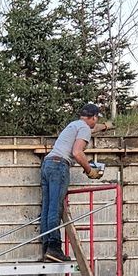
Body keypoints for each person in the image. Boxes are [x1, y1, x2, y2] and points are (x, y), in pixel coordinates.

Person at [39, 103, 105, 262]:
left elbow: (91, 129)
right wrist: (90, 170)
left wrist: (105, 127)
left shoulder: (74, 125)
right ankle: (54, 248)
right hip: (59, 166)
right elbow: (77, 152)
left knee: (47, 208)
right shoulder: (84, 128)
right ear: (94, 117)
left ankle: (47, 248)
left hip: (47, 164)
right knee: (55, 207)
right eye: (97, 118)